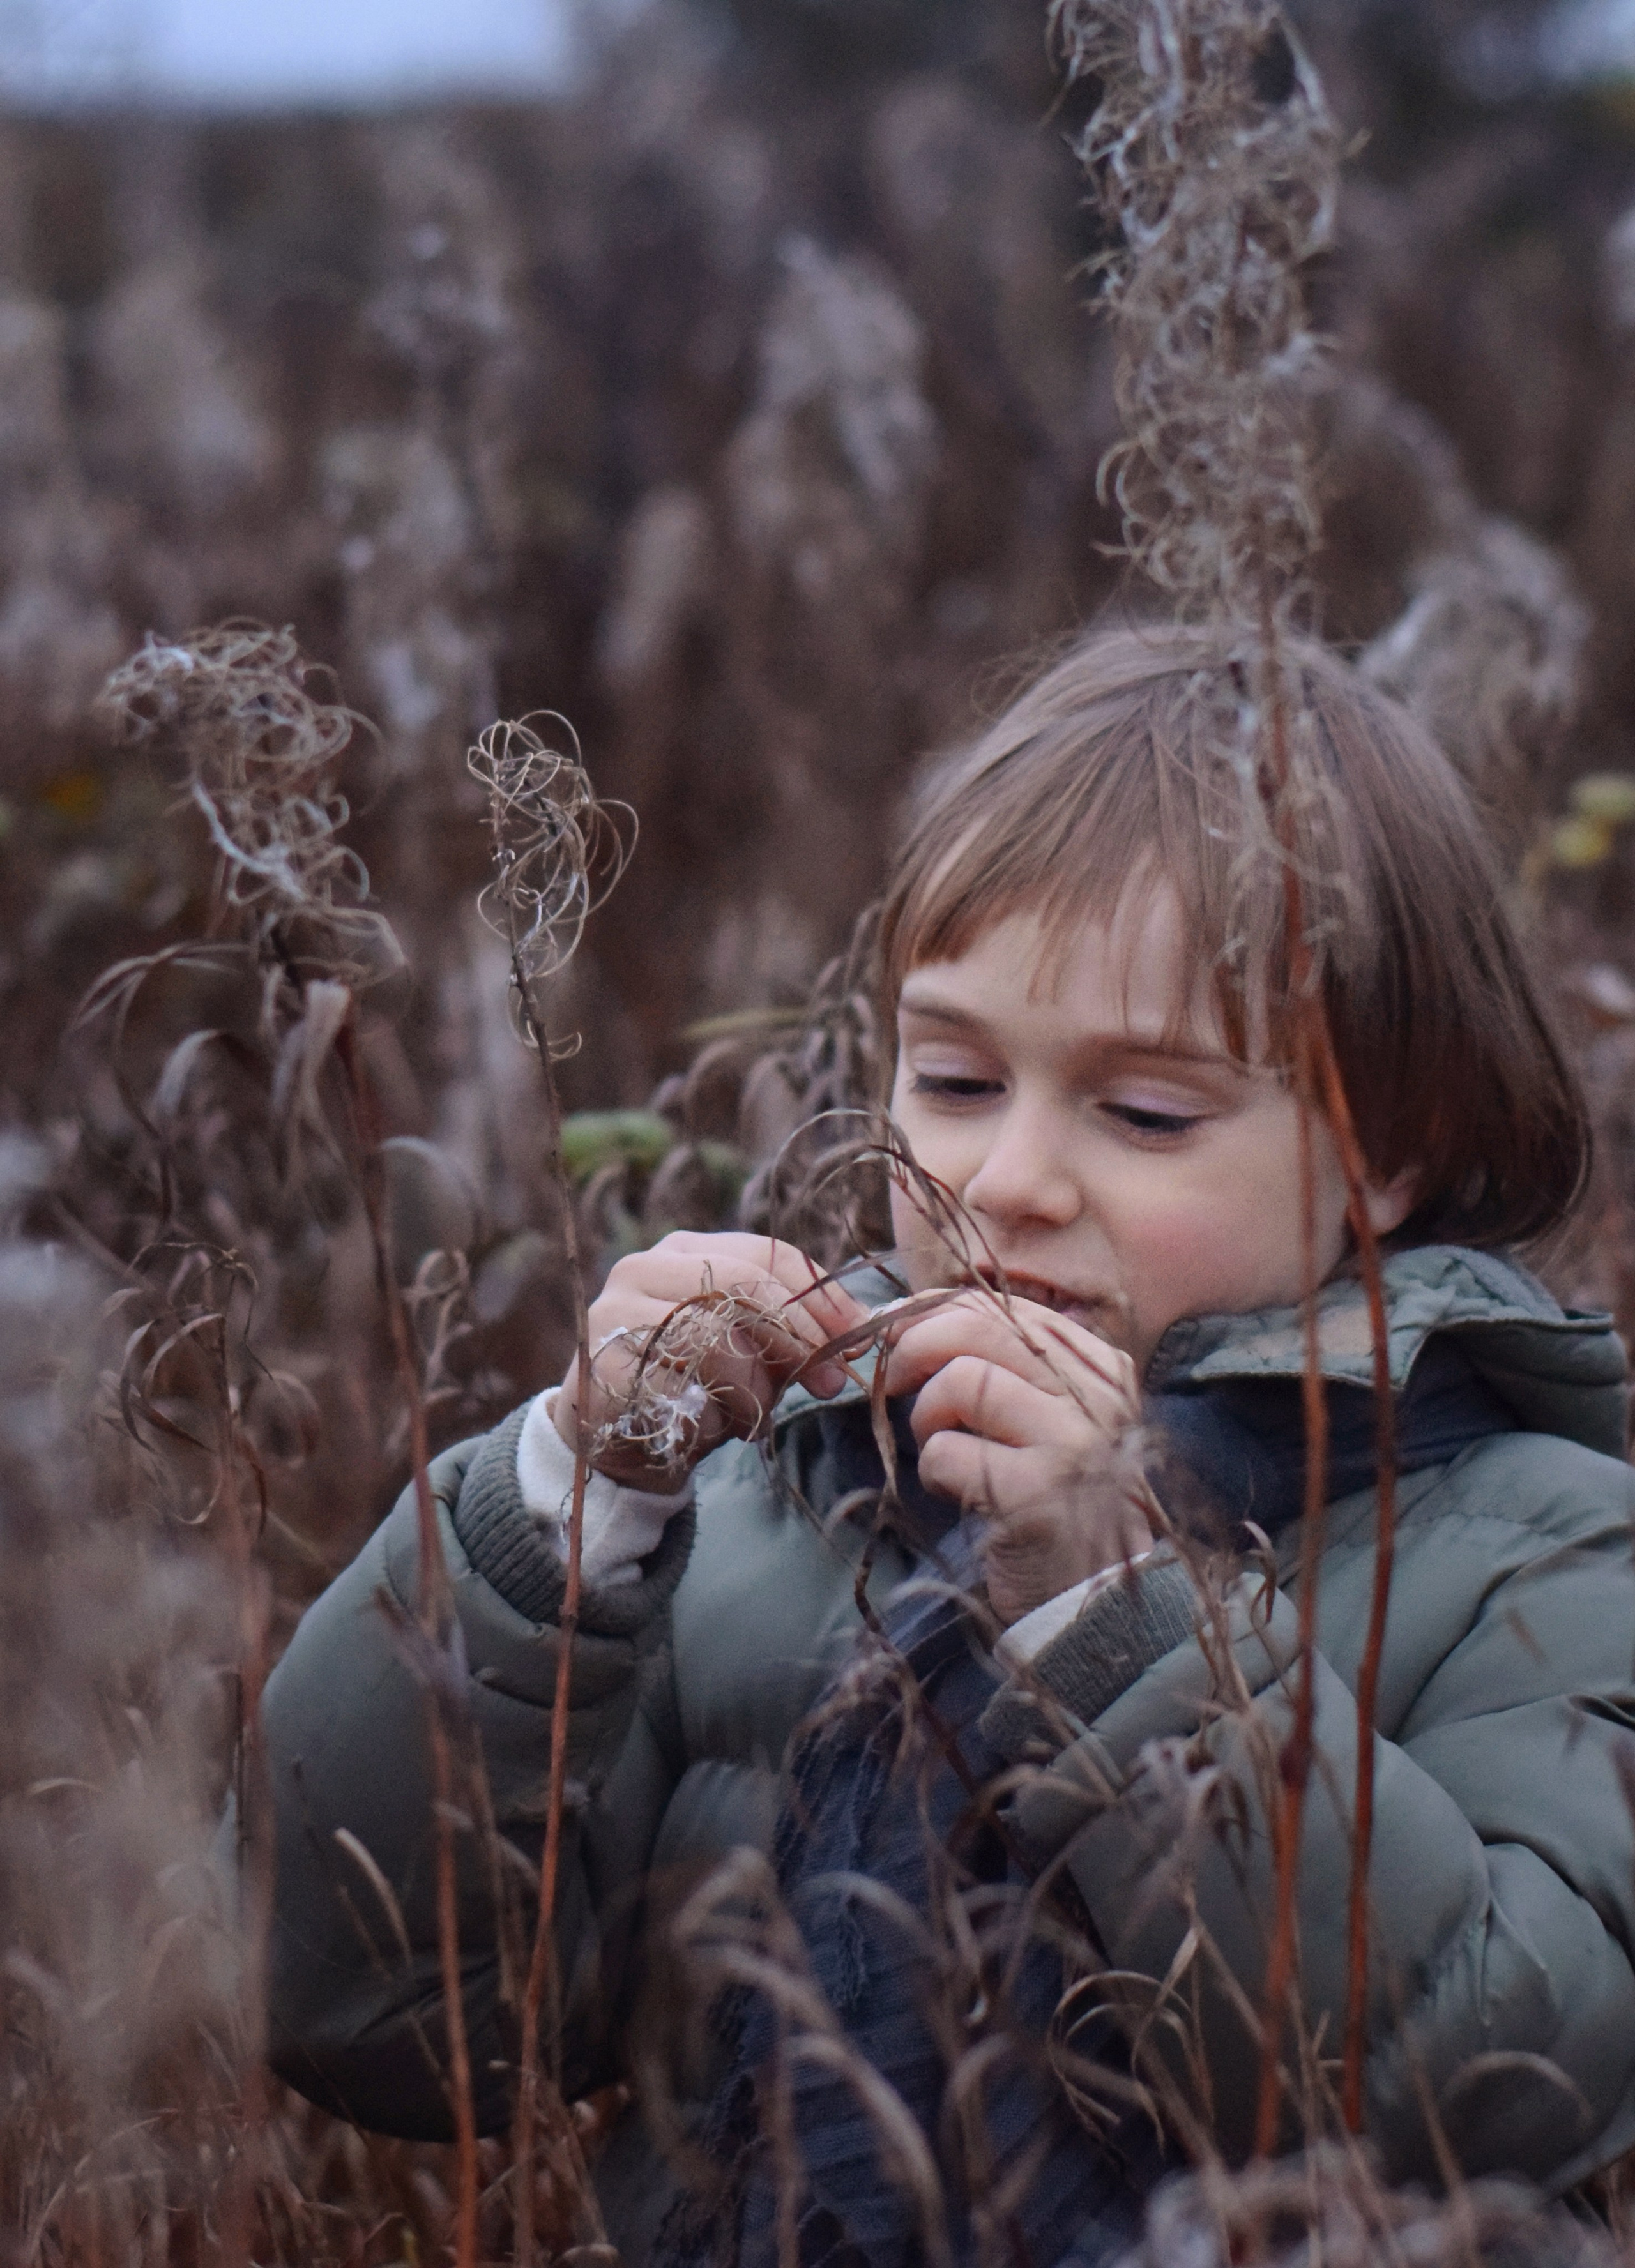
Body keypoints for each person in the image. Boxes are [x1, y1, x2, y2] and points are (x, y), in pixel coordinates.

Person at [259, 624, 1635, 2264]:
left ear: (1387, 1159)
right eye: (956, 1078)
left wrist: (1121, 1606)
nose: (1006, 1180)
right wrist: (564, 1502)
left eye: (1144, 1115)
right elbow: (375, 2012)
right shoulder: (771, 1495)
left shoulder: (1539, 1544)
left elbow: (1490, 2086)